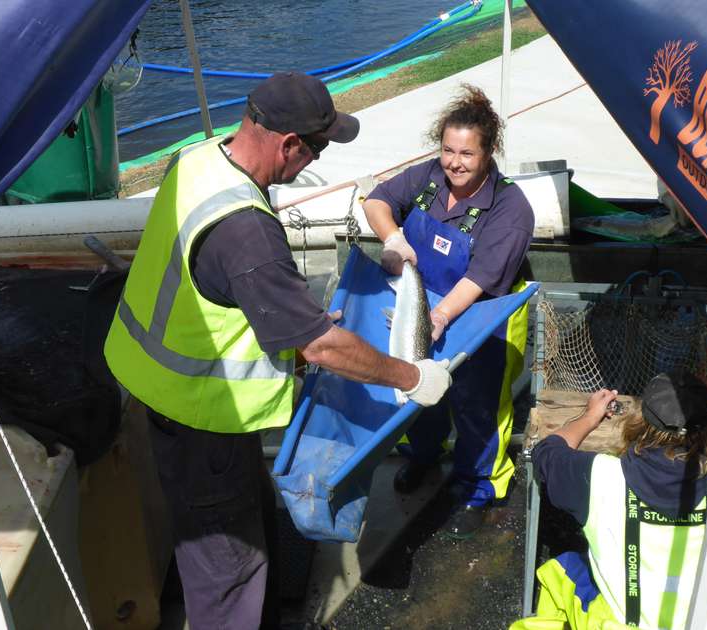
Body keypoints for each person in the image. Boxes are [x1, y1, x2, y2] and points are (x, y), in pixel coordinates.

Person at [103, 72, 452, 630]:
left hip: (160, 390)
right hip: (202, 419)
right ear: (289, 143)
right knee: (228, 576)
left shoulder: (195, 161)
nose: (314, 159)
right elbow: (321, 346)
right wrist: (411, 376)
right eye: (316, 147)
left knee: (245, 532)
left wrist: (287, 312)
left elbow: (215, 286)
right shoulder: (247, 233)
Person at [362, 84, 535, 538]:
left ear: (489, 151)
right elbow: (377, 200)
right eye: (447, 151)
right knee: (416, 385)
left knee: (479, 401)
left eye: (467, 155)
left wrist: (438, 318)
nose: (454, 162)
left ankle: (481, 482)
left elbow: (481, 279)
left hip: (485, 311)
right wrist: (393, 239)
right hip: (423, 299)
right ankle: (422, 455)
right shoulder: (431, 177)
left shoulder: (511, 208)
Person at [511, 370, 707, 630]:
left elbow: (547, 452)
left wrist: (590, 416)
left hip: (621, 625)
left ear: (641, 418)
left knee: (561, 569)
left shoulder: (599, 477)